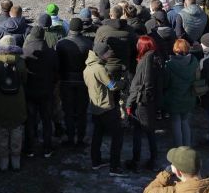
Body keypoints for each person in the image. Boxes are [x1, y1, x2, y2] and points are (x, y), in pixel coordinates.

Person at [84, 42, 128, 177]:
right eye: (108, 52)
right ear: (101, 54)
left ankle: (95, 162)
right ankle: (115, 167)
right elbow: (112, 86)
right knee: (117, 136)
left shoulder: (87, 68)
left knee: (97, 135)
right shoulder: (99, 69)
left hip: (95, 107)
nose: (110, 54)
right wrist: (123, 82)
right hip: (106, 108)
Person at [0, 35, 28, 171]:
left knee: (3, 131)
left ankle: (4, 160)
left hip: (1, 99)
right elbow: (24, 79)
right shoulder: (21, 62)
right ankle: (15, 159)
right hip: (17, 99)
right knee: (17, 129)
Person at [23, 25, 59, 158]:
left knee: (30, 120)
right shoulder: (51, 52)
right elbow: (56, 72)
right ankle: (47, 148)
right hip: (46, 91)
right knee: (46, 120)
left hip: (30, 91)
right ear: (43, 36)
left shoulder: (25, 51)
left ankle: (29, 148)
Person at [125, 36, 160, 172]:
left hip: (141, 102)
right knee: (151, 131)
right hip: (152, 101)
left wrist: (129, 104)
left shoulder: (145, 61)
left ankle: (135, 161)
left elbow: (136, 85)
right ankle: (153, 159)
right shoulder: (157, 58)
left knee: (138, 132)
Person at [56, 18, 93, 147]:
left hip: (66, 80)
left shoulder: (62, 43)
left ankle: (70, 137)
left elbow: (58, 64)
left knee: (68, 111)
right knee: (82, 111)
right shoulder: (88, 43)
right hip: (83, 81)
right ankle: (81, 138)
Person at [164, 39, 199, 147]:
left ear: (175, 49)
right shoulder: (194, 61)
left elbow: (166, 83)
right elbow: (197, 78)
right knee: (185, 122)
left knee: (176, 123)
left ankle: (179, 148)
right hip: (189, 96)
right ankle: (187, 146)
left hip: (174, 98)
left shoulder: (169, 64)